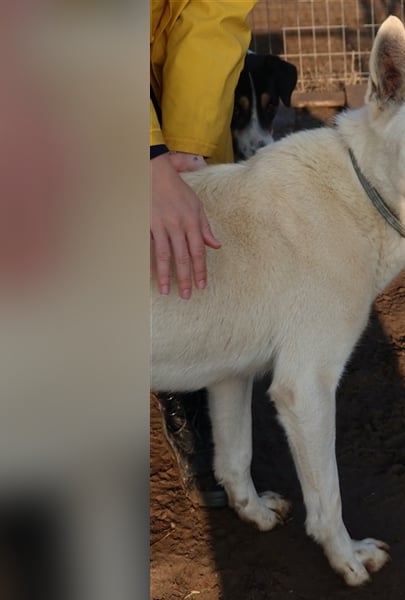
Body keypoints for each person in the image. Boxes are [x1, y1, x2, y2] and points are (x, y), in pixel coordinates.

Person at [150, 0, 257, 507]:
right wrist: (146, 157)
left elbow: (214, 13)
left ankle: (182, 383)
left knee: (188, 240)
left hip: (166, 64)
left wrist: (187, 146)